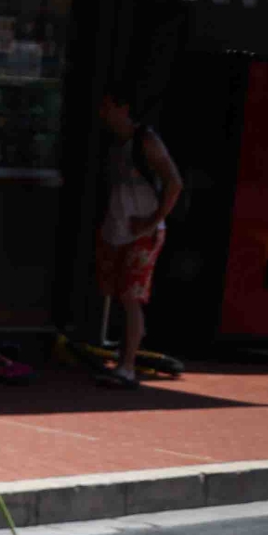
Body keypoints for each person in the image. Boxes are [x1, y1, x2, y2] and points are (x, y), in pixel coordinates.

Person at [93, 80, 181, 390]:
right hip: (115, 230)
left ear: (123, 108)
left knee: (131, 297)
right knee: (117, 293)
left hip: (142, 232)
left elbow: (174, 183)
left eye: (107, 106)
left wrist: (151, 222)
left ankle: (127, 367)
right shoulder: (113, 144)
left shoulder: (147, 140)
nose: (102, 112)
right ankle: (120, 356)